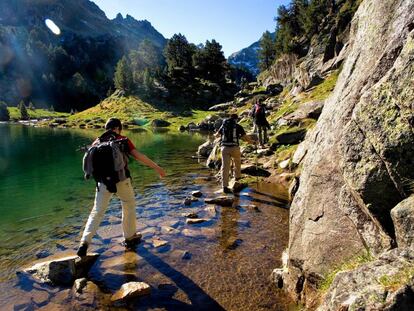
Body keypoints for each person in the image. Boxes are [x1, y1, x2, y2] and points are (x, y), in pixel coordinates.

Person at [77, 118, 166, 256]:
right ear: (118, 128)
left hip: (102, 183)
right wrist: (157, 167)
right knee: (128, 205)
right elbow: (139, 156)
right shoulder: (122, 139)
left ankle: (84, 242)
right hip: (122, 180)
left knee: (97, 212)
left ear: (106, 128)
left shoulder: (97, 141)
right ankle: (129, 237)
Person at [215, 114, 255, 194]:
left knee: (225, 167)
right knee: (237, 163)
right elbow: (245, 137)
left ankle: (225, 186)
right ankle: (237, 178)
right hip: (235, 148)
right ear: (236, 119)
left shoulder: (224, 125)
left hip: (224, 148)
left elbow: (217, 135)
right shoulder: (238, 126)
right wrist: (252, 142)